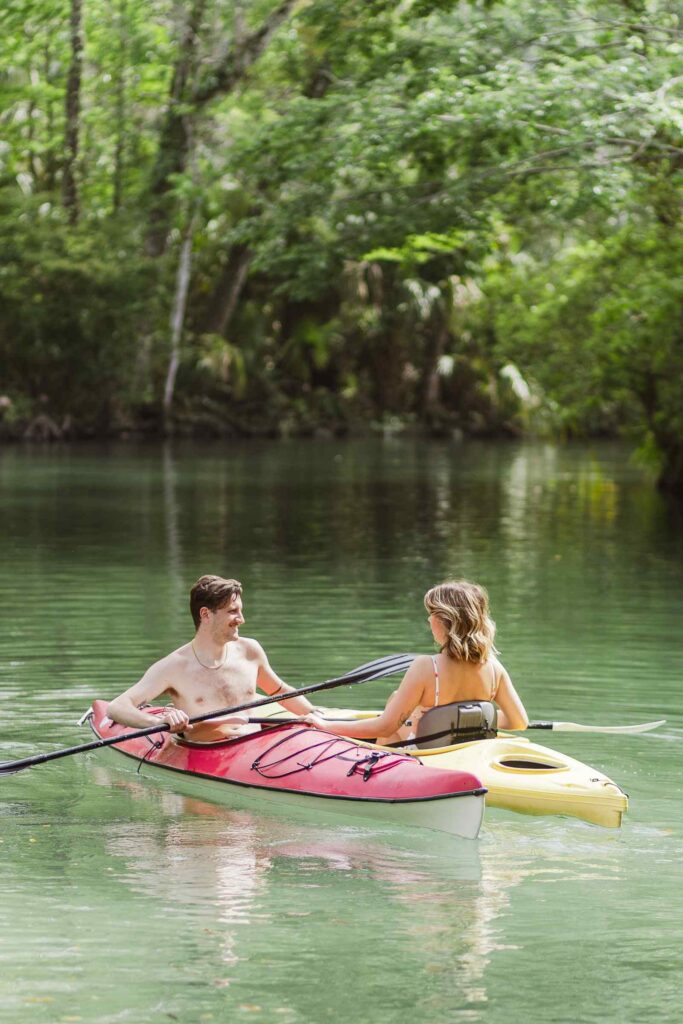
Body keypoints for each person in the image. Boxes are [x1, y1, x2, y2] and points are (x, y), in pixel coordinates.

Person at [304, 580, 528, 744]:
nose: (429, 619)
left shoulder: (426, 667)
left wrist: (326, 726)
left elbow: (385, 727)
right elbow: (519, 721)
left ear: (446, 621)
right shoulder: (494, 669)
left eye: (432, 614)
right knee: (398, 703)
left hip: (427, 752)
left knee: (392, 720)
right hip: (463, 752)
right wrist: (467, 718)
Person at [107, 574, 318, 742]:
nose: (241, 619)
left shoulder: (250, 651)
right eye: (232, 611)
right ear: (206, 615)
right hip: (205, 751)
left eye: (241, 611)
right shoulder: (174, 666)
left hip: (254, 745)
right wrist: (158, 722)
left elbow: (280, 691)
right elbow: (117, 707)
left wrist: (314, 714)